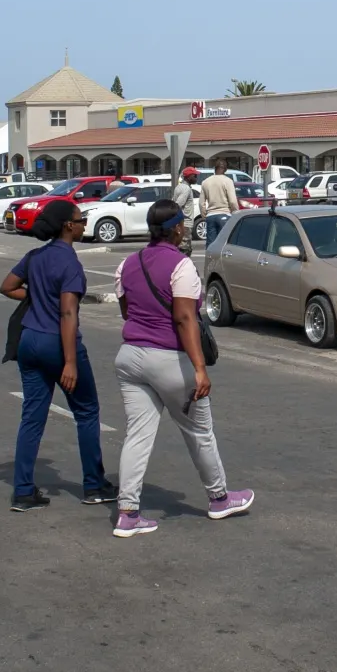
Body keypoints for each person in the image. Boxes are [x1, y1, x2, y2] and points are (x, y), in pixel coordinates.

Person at [110, 200, 252, 537]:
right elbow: (185, 317)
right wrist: (200, 369)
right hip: (167, 359)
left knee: (138, 436)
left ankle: (128, 513)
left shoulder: (127, 264)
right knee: (198, 431)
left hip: (130, 356)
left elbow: (127, 312)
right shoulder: (181, 265)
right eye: (182, 224)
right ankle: (219, 498)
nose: (185, 229)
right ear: (175, 228)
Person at [0, 199, 114, 512]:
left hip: (29, 341)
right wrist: (71, 363)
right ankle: (93, 485)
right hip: (57, 345)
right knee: (87, 412)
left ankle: (22, 492)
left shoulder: (35, 257)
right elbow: (67, 312)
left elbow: (7, 287)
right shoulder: (70, 264)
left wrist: (35, 296)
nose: (84, 223)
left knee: (32, 417)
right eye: (80, 218)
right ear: (68, 225)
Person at [199, 167, 239, 246]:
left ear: (215, 169)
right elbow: (232, 201)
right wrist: (236, 212)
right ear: (225, 170)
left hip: (210, 215)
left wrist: (204, 215)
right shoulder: (228, 181)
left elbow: (201, 203)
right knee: (224, 244)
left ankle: (209, 258)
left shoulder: (205, 182)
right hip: (224, 214)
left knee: (211, 244)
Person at [172, 166, 203, 255]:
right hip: (185, 224)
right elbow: (178, 204)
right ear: (189, 177)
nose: (196, 178)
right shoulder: (186, 189)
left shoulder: (179, 187)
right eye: (194, 176)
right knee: (185, 249)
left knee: (181, 249)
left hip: (181, 223)